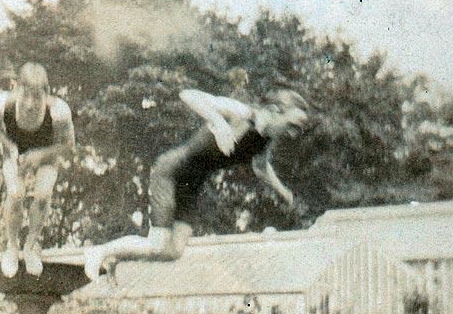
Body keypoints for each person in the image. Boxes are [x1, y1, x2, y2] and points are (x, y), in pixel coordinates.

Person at [83, 86, 309, 281]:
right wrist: (219, 122)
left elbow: (260, 167)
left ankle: (113, 256)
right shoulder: (242, 113)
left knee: (173, 251)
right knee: (157, 244)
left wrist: (283, 191)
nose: (293, 134)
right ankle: (98, 251)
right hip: (172, 172)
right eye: (293, 125)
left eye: (297, 130)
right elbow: (188, 94)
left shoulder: (265, 140)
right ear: (276, 111)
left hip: (192, 183)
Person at [0, 63, 75, 277]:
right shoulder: (1, 104)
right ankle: (12, 246)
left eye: (37, 97)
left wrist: (40, 155)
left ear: (46, 92)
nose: (31, 103)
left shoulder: (59, 111)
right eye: (26, 95)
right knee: (16, 194)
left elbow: (69, 147)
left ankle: (31, 246)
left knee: (42, 195)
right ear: (17, 89)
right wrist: (9, 146)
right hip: (15, 151)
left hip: (47, 152)